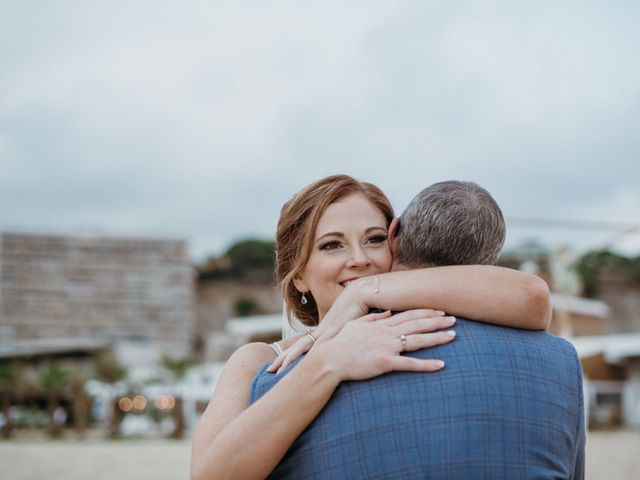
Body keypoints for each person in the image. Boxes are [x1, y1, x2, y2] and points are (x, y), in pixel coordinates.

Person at [191, 175, 552, 480]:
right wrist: (327, 361)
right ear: (299, 275)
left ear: (396, 241)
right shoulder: (256, 360)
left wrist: (364, 292)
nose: (360, 260)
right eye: (332, 245)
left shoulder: (424, 321)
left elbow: (532, 296)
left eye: (374, 239)